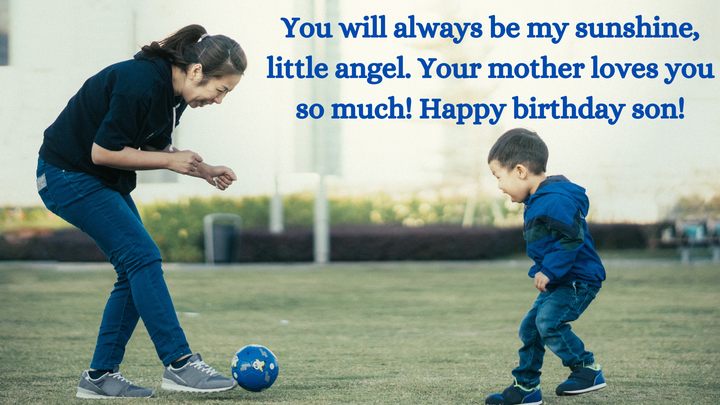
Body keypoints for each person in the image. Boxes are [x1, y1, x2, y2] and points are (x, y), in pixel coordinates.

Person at [36, 24, 246, 399]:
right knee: (143, 257)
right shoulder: (142, 83)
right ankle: (179, 364)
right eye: (220, 91)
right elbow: (103, 151)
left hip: (96, 179)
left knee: (135, 269)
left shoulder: (172, 95)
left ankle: (99, 377)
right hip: (66, 174)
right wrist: (169, 163)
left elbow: (157, 150)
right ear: (197, 71)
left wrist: (205, 170)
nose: (218, 101)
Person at [484, 128, 607, 405]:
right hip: (562, 279)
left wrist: (549, 270)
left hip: (578, 279)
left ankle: (587, 369)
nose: (499, 186)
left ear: (519, 171)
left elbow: (571, 238)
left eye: (498, 176)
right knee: (531, 327)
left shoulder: (555, 199)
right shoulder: (540, 199)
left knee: (547, 322)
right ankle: (526, 388)